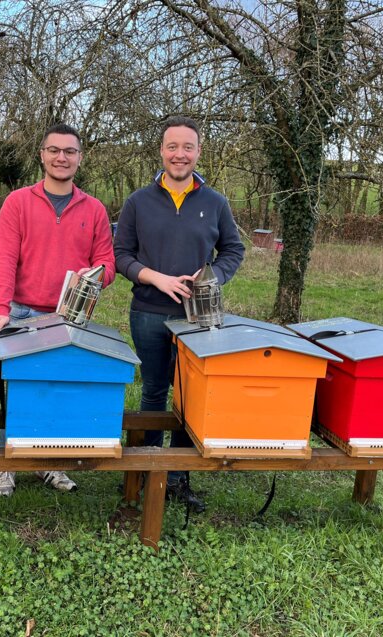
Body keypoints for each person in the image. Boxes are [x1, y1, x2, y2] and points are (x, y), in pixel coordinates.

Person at [113, 116, 245, 513]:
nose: (179, 154)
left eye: (187, 147)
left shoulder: (215, 203)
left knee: (190, 397)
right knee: (154, 391)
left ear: (199, 152)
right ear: (161, 151)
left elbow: (233, 250)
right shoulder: (138, 201)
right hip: (149, 313)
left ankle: (178, 477)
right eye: (173, 146)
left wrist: (212, 278)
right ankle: (148, 467)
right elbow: (121, 256)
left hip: (197, 318)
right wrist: (157, 278)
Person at [0, 123, 116, 496]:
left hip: (69, 318)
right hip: (23, 312)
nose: (62, 157)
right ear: (42, 155)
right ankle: (6, 467)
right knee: (18, 391)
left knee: (58, 390)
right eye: (54, 150)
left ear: (80, 157)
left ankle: (51, 463)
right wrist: (1, 310)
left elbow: (107, 263)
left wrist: (92, 276)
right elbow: (5, 258)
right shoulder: (18, 202)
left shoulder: (93, 209)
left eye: (70, 151)